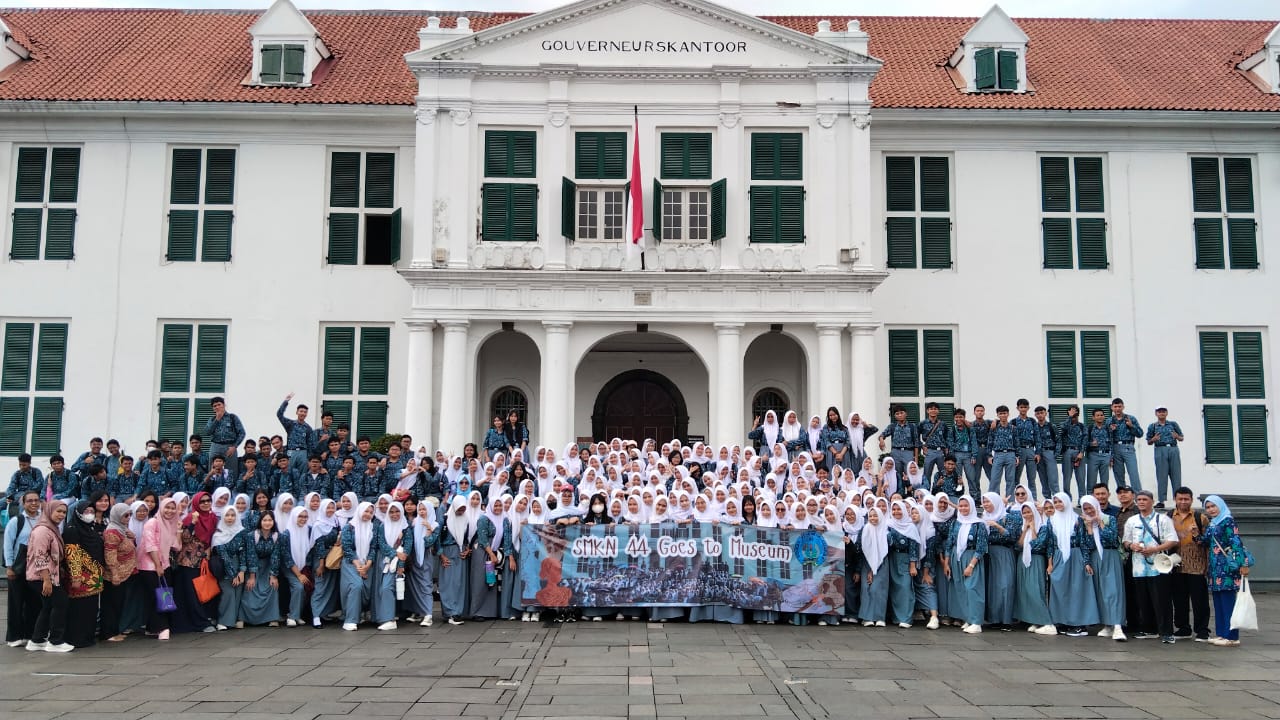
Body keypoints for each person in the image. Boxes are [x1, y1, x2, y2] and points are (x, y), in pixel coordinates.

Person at [1122, 490, 1178, 643]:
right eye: (1139, 499)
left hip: (1159, 565)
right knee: (1143, 599)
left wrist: (1155, 549)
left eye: (1145, 499)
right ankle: (1149, 629)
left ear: (1152, 501)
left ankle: (1166, 631)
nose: (1141, 502)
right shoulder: (1132, 521)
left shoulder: (1163, 519)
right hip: (1139, 567)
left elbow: (1173, 540)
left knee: (1162, 600)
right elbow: (1125, 541)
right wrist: (1131, 546)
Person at [1199, 495, 1254, 647]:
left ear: (1221, 505)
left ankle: (1232, 636)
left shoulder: (1228, 521)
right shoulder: (1213, 523)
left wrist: (1243, 564)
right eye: (1208, 507)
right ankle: (1222, 634)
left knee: (1228, 602)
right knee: (1218, 602)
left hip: (1228, 568)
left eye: (1213, 506)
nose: (1211, 510)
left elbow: (1236, 542)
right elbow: (1205, 541)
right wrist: (1196, 535)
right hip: (1215, 569)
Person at [1046, 492, 1099, 637]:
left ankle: (1079, 625)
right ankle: (1063, 621)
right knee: (1060, 590)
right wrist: (1050, 563)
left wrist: (1086, 562)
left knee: (1077, 590)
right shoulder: (1051, 521)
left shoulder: (1077, 519)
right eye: (1055, 502)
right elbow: (1050, 543)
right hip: (1059, 557)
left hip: (1075, 556)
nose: (1058, 504)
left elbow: (1083, 542)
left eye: (1060, 501)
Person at [25, 499, 74, 652]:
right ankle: (55, 641)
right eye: (58, 511)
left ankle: (37, 640)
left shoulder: (51, 529)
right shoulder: (42, 531)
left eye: (64, 512)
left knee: (48, 606)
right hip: (42, 577)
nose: (61, 515)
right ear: (49, 511)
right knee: (60, 603)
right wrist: (46, 580)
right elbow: (40, 556)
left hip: (48, 576)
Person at [60, 499, 106, 647]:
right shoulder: (72, 529)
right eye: (86, 511)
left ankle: (87, 637)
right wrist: (76, 576)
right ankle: (76, 638)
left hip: (94, 577)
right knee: (79, 608)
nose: (89, 514)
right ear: (78, 513)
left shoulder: (90, 528)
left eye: (92, 511)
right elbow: (72, 554)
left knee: (90, 609)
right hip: (80, 577)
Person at [1081, 496, 1126, 641]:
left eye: (1090, 507)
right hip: (1095, 558)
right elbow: (1087, 545)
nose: (1089, 511)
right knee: (1100, 591)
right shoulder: (1084, 523)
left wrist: (1100, 523)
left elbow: (1112, 538)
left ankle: (1117, 625)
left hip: (1110, 556)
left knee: (1113, 591)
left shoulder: (1109, 519)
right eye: (1085, 509)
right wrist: (1087, 562)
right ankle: (1107, 624)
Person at [1168, 487, 1209, 642]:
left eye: (1186, 499)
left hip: (1196, 565)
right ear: (1175, 499)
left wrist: (1208, 564)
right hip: (1175, 564)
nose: (1183, 502)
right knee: (1179, 599)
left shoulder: (1200, 518)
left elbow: (1207, 542)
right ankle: (1183, 627)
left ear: (1191, 500)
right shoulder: (1168, 517)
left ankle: (1202, 630)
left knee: (1200, 600)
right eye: (1180, 499)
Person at [139, 496, 182, 640]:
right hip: (150, 566)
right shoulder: (152, 522)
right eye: (167, 507)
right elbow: (150, 545)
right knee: (156, 597)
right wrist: (157, 565)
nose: (170, 511)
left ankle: (153, 628)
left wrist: (179, 530)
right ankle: (161, 627)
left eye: (173, 508)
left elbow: (176, 546)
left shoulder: (170, 524)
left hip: (164, 565)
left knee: (163, 596)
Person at [945, 495, 987, 634]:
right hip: (956, 556)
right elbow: (949, 543)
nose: (963, 508)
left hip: (971, 557)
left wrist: (971, 565)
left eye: (966, 505)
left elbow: (981, 547)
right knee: (960, 588)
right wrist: (946, 563)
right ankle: (968, 618)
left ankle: (976, 622)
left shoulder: (979, 524)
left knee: (972, 588)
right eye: (961, 506)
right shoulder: (956, 523)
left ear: (972, 507)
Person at [5, 490, 42, 646]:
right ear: (23, 503)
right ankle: (14, 637)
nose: (33, 503)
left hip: (37, 566)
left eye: (36, 500)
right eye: (29, 501)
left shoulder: (43, 519)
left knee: (34, 602)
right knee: (16, 602)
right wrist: (9, 566)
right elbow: (8, 544)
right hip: (19, 565)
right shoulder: (16, 521)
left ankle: (30, 633)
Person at [1013, 502, 1055, 635]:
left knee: (1035, 590)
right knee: (1025, 591)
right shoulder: (1022, 527)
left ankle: (1047, 623)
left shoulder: (1043, 527)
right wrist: (1025, 530)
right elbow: (1018, 546)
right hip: (1022, 561)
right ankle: (1035, 620)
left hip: (1036, 560)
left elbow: (1037, 545)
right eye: (1024, 513)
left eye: (1029, 512)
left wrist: (1033, 529)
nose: (1027, 515)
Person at [981, 492, 1021, 631]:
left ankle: (1006, 619)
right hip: (989, 555)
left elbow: (1012, 537)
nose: (986, 504)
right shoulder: (983, 518)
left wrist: (998, 526)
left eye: (988, 501)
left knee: (1005, 585)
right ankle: (994, 619)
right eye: (984, 501)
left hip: (1004, 553)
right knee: (992, 587)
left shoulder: (1008, 517)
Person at [101, 503, 139, 642]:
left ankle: (115, 631)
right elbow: (110, 554)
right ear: (117, 516)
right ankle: (108, 633)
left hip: (124, 573)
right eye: (125, 515)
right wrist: (115, 573)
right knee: (111, 604)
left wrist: (132, 538)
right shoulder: (112, 532)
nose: (128, 518)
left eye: (130, 515)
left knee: (118, 603)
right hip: (114, 574)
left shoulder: (122, 530)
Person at [241, 511, 282, 627]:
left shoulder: (276, 536)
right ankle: (244, 618)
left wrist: (273, 575)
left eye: (270, 520)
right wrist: (252, 576)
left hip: (269, 566)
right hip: (254, 566)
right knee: (250, 586)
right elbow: (251, 555)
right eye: (265, 520)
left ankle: (272, 617)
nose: (267, 523)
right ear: (260, 521)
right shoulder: (251, 535)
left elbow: (276, 556)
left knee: (272, 586)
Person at [209, 506, 246, 630]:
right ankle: (223, 621)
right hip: (224, 568)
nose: (230, 518)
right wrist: (233, 575)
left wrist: (241, 571)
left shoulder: (241, 532)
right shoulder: (218, 535)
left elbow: (243, 552)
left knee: (237, 593)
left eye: (233, 515)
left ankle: (234, 620)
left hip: (238, 566)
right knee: (228, 593)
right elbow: (223, 556)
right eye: (227, 515)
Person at [406, 499, 441, 627]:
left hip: (426, 557)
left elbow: (429, 542)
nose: (421, 512)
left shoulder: (435, 525)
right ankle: (418, 611)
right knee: (415, 585)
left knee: (426, 585)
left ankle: (428, 614)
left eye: (424, 509)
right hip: (414, 557)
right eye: (420, 509)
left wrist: (428, 530)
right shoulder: (414, 523)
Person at [309, 499, 342, 627]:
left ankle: (325, 613)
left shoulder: (335, 521)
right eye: (328, 508)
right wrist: (321, 565)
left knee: (330, 587)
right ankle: (316, 616)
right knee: (320, 587)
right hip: (320, 559)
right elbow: (319, 546)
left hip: (332, 558)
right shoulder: (318, 525)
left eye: (332, 507)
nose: (330, 510)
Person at [439, 495, 471, 626]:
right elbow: (438, 539)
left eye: (463, 508)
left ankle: (457, 612)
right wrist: (441, 555)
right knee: (448, 584)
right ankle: (449, 612)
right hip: (448, 552)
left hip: (460, 553)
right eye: (459, 508)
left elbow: (467, 538)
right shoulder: (445, 520)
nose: (461, 511)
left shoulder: (466, 520)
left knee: (459, 584)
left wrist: (467, 549)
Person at [280, 506, 313, 627]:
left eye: (305, 517)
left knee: (305, 586)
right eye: (300, 516)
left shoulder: (307, 530)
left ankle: (297, 614)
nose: (303, 519)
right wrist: (299, 574)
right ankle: (292, 616)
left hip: (303, 566)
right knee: (298, 586)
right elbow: (287, 557)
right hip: (289, 567)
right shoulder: (286, 534)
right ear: (294, 517)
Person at [857, 505, 889, 627]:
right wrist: (869, 568)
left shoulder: (886, 530)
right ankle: (867, 617)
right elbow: (861, 549)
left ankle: (880, 617)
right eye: (870, 516)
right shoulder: (865, 529)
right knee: (867, 589)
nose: (873, 518)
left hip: (882, 562)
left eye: (875, 515)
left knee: (879, 589)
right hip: (866, 562)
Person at [1145, 406, 1183, 509]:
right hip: (1160, 449)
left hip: (1173, 448)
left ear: (1166, 413)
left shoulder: (1173, 424)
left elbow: (1181, 437)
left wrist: (1177, 437)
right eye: (1159, 412)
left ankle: (1178, 500)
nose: (1161, 413)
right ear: (1156, 413)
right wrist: (1153, 439)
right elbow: (1148, 441)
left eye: (1163, 411)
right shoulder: (1153, 426)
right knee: (1161, 476)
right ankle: (1161, 500)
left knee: (1176, 475)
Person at [205, 396, 247, 481]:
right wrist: (217, 419)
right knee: (213, 470)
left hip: (230, 446)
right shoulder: (212, 419)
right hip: (216, 446)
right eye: (214, 406)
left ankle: (230, 487)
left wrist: (234, 446)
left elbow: (242, 433)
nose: (217, 407)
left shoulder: (232, 417)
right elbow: (208, 432)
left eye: (219, 404)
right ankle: (212, 486)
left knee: (231, 470)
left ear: (224, 405)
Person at [1105, 398, 1143, 492]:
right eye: (1115, 407)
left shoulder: (1131, 418)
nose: (1117, 409)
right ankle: (1123, 495)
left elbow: (1140, 434)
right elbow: (1106, 437)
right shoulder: (1109, 421)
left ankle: (1138, 495)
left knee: (1133, 473)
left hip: (1128, 447)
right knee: (1118, 474)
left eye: (1119, 406)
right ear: (1112, 408)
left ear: (1123, 407)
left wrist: (1131, 426)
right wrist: (1110, 430)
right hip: (1115, 448)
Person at [277, 393, 316, 474]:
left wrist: (309, 459)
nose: (303, 413)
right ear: (297, 412)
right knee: (289, 473)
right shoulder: (290, 424)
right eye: (301, 411)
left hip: (303, 452)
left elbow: (310, 444)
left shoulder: (308, 428)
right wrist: (286, 401)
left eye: (305, 412)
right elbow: (279, 415)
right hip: (291, 452)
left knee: (302, 474)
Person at [987, 405, 1019, 497]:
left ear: (1008, 414)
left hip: (1010, 454)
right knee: (994, 479)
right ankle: (993, 499)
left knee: (1010, 479)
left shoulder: (1013, 428)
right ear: (997, 415)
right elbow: (990, 441)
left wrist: (1017, 456)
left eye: (1005, 413)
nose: (1003, 415)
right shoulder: (994, 427)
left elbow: (1016, 443)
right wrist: (989, 455)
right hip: (998, 454)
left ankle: (1010, 501)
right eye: (1000, 414)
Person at [879, 405, 919, 476]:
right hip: (896, 452)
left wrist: (916, 459)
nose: (900, 415)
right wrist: (881, 441)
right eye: (897, 414)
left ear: (906, 414)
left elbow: (916, 443)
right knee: (896, 474)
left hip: (908, 452)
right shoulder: (892, 426)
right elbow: (882, 435)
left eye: (901, 413)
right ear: (895, 416)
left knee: (909, 473)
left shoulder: (912, 426)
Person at [1057, 405, 1087, 500]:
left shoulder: (1082, 426)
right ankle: (1067, 499)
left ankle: (1082, 500)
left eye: (1075, 415)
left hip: (1078, 452)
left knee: (1081, 478)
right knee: (1067, 478)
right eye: (1072, 415)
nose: (1074, 417)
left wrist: (1081, 452)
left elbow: (1085, 440)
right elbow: (1061, 429)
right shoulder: (1064, 425)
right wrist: (1069, 417)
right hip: (1067, 452)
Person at [917, 402, 952, 481]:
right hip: (929, 451)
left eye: (935, 409)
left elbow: (948, 437)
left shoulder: (943, 424)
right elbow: (916, 437)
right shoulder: (922, 423)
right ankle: (926, 489)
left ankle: (943, 489)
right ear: (927, 411)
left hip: (941, 452)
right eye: (931, 409)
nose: (933, 411)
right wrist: (922, 446)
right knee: (926, 475)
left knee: (944, 474)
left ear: (938, 411)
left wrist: (947, 448)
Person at [1085, 408, 1113, 489]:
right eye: (1097, 415)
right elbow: (1083, 443)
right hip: (1093, 456)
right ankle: (1090, 496)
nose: (1100, 417)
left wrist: (1111, 457)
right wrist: (1091, 444)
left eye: (1101, 415)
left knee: (1105, 482)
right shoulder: (1089, 428)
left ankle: (1104, 496)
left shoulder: (1108, 429)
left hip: (1105, 455)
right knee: (1091, 481)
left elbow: (1111, 443)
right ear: (1093, 417)